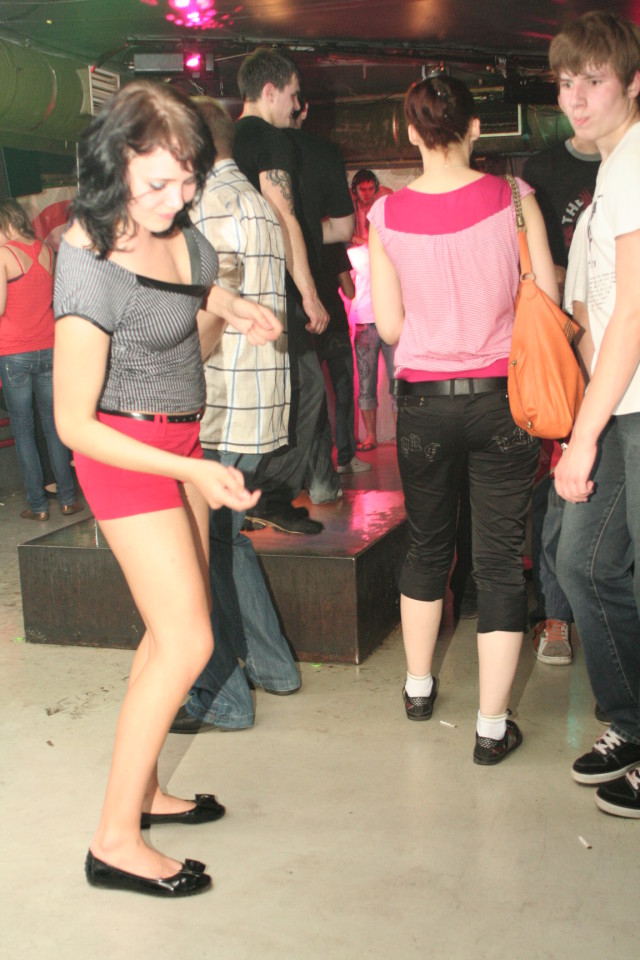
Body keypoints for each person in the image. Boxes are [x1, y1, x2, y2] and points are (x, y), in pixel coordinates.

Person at [53, 81, 282, 897]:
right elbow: (73, 422)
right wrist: (191, 470)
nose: (175, 198)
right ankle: (114, 841)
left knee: (167, 633)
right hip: (124, 451)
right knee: (188, 641)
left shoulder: (178, 230)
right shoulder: (87, 256)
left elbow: (186, 293)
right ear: (115, 162)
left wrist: (235, 305)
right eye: (157, 182)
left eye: (187, 180)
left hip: (181, 439)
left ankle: (145, 791)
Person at [368, 75, 557, 764]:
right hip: (503, 399)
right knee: (500, 560)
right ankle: (491, 727)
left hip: (424, 403)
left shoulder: (385, 215)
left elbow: (390, 326)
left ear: (409, 133)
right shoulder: (514, 197)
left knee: (426, 544)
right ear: (476, 128)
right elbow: (547, 297)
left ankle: (419, 689)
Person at [171, 96, 300, 735]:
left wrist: (171, 366)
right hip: (259, 396)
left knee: (205, 549)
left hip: (223, 401)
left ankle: (223, 697)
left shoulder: (213, 207)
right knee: (225, 540)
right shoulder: (252, 199)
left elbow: (212, 317)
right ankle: (274, 668)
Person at [552, 11, 640, 818]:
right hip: (618, 404)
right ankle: (633, 721)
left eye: (594, 80)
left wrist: (582, 437)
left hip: (630, 406)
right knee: (581, 562)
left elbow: (634, 315)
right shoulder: (613, 168)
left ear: (633, 83)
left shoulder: (638, 160)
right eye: (566, 82)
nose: (576, 97)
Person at [233, 47, 331, 532]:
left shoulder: (225, 139)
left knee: (251, 398)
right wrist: (309, 294)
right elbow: (284, 217)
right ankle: (267, 496)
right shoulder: (273, 140)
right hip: (273, 294)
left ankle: (240, 498)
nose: (297, 106)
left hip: (231, 291)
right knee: (308, 389)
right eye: (293, 95)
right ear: (269, 92)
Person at [523, 134, 600, 665]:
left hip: (612, 359)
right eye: (570, 91)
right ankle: (555, 618)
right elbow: (539, 270)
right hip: (567, 350)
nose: (579, 98)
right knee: (558, 493)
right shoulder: (543, 169)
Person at [0, 199, 82, 521]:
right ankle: (67, 499)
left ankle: (38, 506)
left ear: (6, 223)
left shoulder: (4, 255)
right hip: (49, 348)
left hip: (14, 352)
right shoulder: (47, 251)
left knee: (23, 430)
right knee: (52, 425)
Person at [348, 240, 397, 452]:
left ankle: (400, 433)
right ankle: (371, 436)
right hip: (365, 322)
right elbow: (347, 286)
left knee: (398, 383)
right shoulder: (353, 253)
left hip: (391, 319)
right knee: (366, 384)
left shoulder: (392, 244)